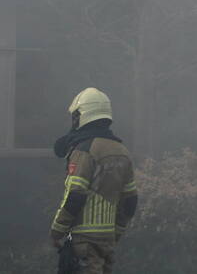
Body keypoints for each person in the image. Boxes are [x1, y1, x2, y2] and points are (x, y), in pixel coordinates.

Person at [50, 87, 138, 274]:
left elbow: (75, 195)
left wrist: (57, 231)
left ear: (82, 115)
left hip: (84, 243)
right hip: (107, 242)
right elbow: (130, 201)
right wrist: (116, 232)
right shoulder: (123, 151)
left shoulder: (85, 150)